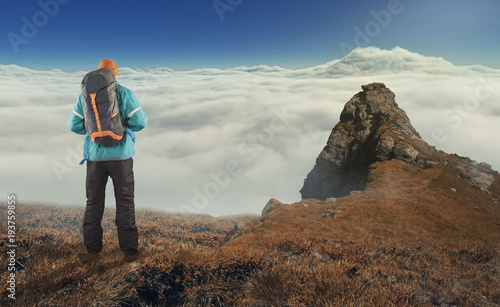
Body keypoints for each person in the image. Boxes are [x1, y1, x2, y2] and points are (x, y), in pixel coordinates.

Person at [68, 59, 148, 262]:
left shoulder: (85, 95)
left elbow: (73, 125)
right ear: (115, 75)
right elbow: (140, 122)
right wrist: (122, 127)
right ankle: (129, 252)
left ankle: (92, 251)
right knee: (125, 202)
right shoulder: (125, 93)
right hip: (121, 159)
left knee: (93, 203)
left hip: (95, 158)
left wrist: (94, 131)